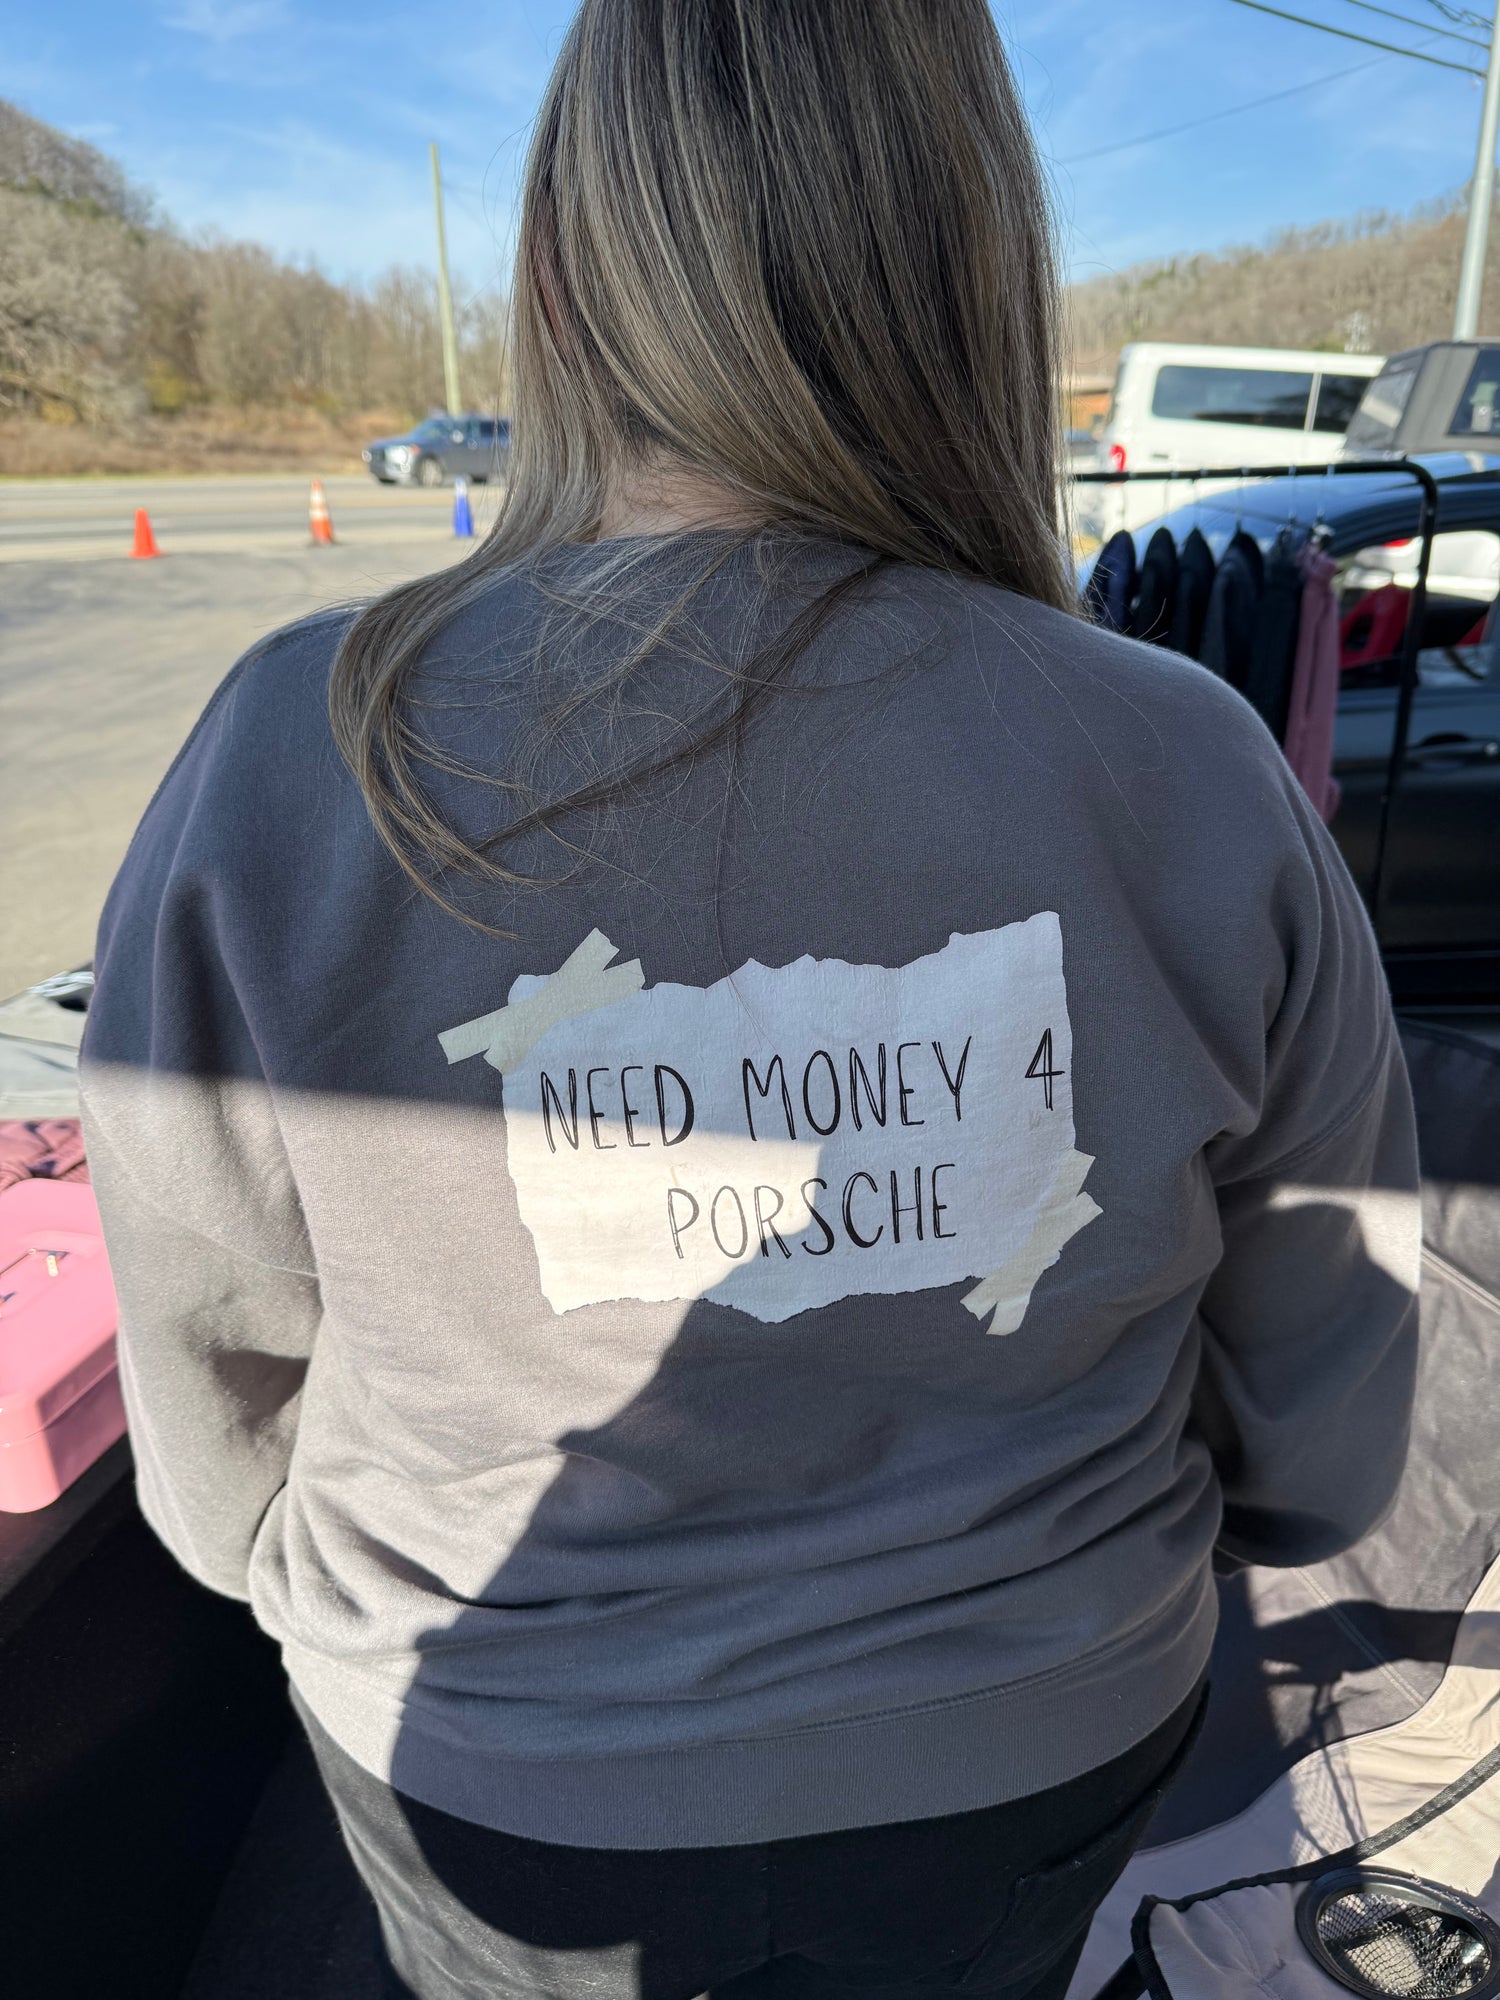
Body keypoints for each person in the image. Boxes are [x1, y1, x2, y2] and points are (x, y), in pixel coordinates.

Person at [79, 3, 1421, 1996]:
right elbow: (1323, 1376)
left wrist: (320, 1579)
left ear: (561, 267)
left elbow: (206, 1370)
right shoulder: (1186, 759)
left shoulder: (307, 744)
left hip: (484, 1753)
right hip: (1040, 1722)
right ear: (971, 260)